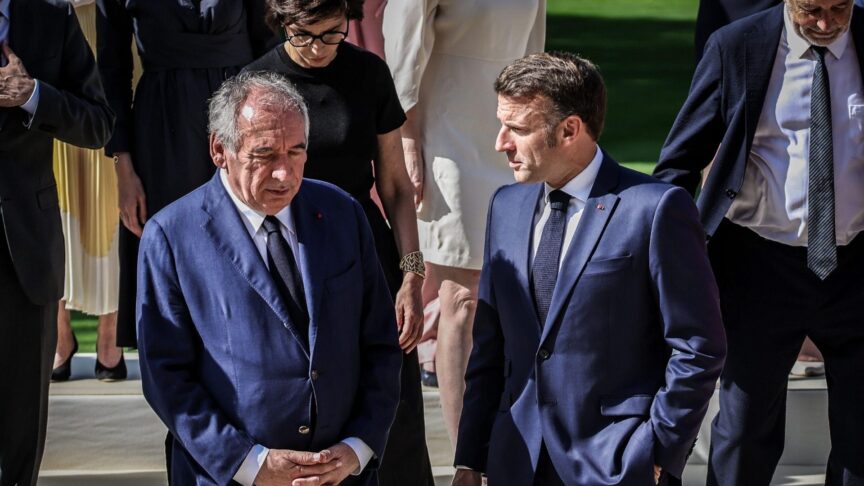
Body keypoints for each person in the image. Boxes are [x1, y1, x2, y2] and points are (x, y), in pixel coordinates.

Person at [452, 52, 726, 486]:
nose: (500, 142)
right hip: (515, 461)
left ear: (569, 130)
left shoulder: (655, 209)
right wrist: (471, 458)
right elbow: (491, 346)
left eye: (518, 129)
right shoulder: (505, 206)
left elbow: (698, 346)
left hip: (617, 463)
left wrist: (657, 451)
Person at [137, 71, 402, 486]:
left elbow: (380, 343)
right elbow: (166, 376)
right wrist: (251, 464)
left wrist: (358, 447)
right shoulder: (172, 235)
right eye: (264, 155)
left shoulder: (343, 213)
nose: (284, 174)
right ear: (219, 150)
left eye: (296, 152)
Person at [654, 1, 864, 484]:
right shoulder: (737, 46)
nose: (826, 23)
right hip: (759, 265)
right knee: (745, 430)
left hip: (856, 268)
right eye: (811, 9)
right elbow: (679, 162)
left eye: (838, 8)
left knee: (863, 436)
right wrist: (667, 254)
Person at [244, 1, 433, 483]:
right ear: (282, 24)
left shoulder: (368, 73)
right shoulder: (256, 84)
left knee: (393, 392)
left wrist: (411, 271)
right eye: (305, 35)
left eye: (333, 34)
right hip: (288, 248)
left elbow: (394, 185)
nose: (319, 48)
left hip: (364, 243)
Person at [382, 0, 546, 447]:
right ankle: (466, 457)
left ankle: (510, 444)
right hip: (448, 132)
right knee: (462, 300)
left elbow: (534, 50)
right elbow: (403, 45)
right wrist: (408, 136)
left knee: (520, 292)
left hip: (514, 127)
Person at [95, 0, 275, 350]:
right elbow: (112, 71)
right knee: (173, 262)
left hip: (241, 124)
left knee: (247, 255)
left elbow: (268, 45)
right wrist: (124, 168)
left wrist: (267, 137)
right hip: (161, 134)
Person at [0, 0, 113, 483]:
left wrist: (31, 95)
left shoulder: (51, 16)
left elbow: (98, 123)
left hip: (24, 250)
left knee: (21, 427)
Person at [51, 0, 124, 383]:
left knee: (108, 200)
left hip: (111, 30)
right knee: (57, 199)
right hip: (50, 40)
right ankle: (61, 335)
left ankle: (109, 338)